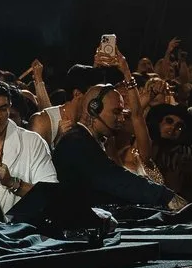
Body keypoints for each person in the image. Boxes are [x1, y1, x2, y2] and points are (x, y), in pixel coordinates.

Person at [49, 69, 185, 220]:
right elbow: (114, 179)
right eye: (116, 112)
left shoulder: (88, 139)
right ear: (94, 109)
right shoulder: (76, 142)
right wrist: (164, 196)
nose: (121, 119)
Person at [0, 78, 56, 218]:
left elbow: (50, 196)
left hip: (19, 232)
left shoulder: (32, 142)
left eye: (3, 109)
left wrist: (13, 183)